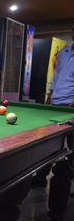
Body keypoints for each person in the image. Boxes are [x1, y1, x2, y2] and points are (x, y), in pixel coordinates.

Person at [32, 25, 74, 188]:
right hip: (56, 103)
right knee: (50, 143)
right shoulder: (64, 52)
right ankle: (42, 177)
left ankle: (67, 176)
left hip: (71, 105)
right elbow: (57, 75)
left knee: (71, 145)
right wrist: (50, 94)